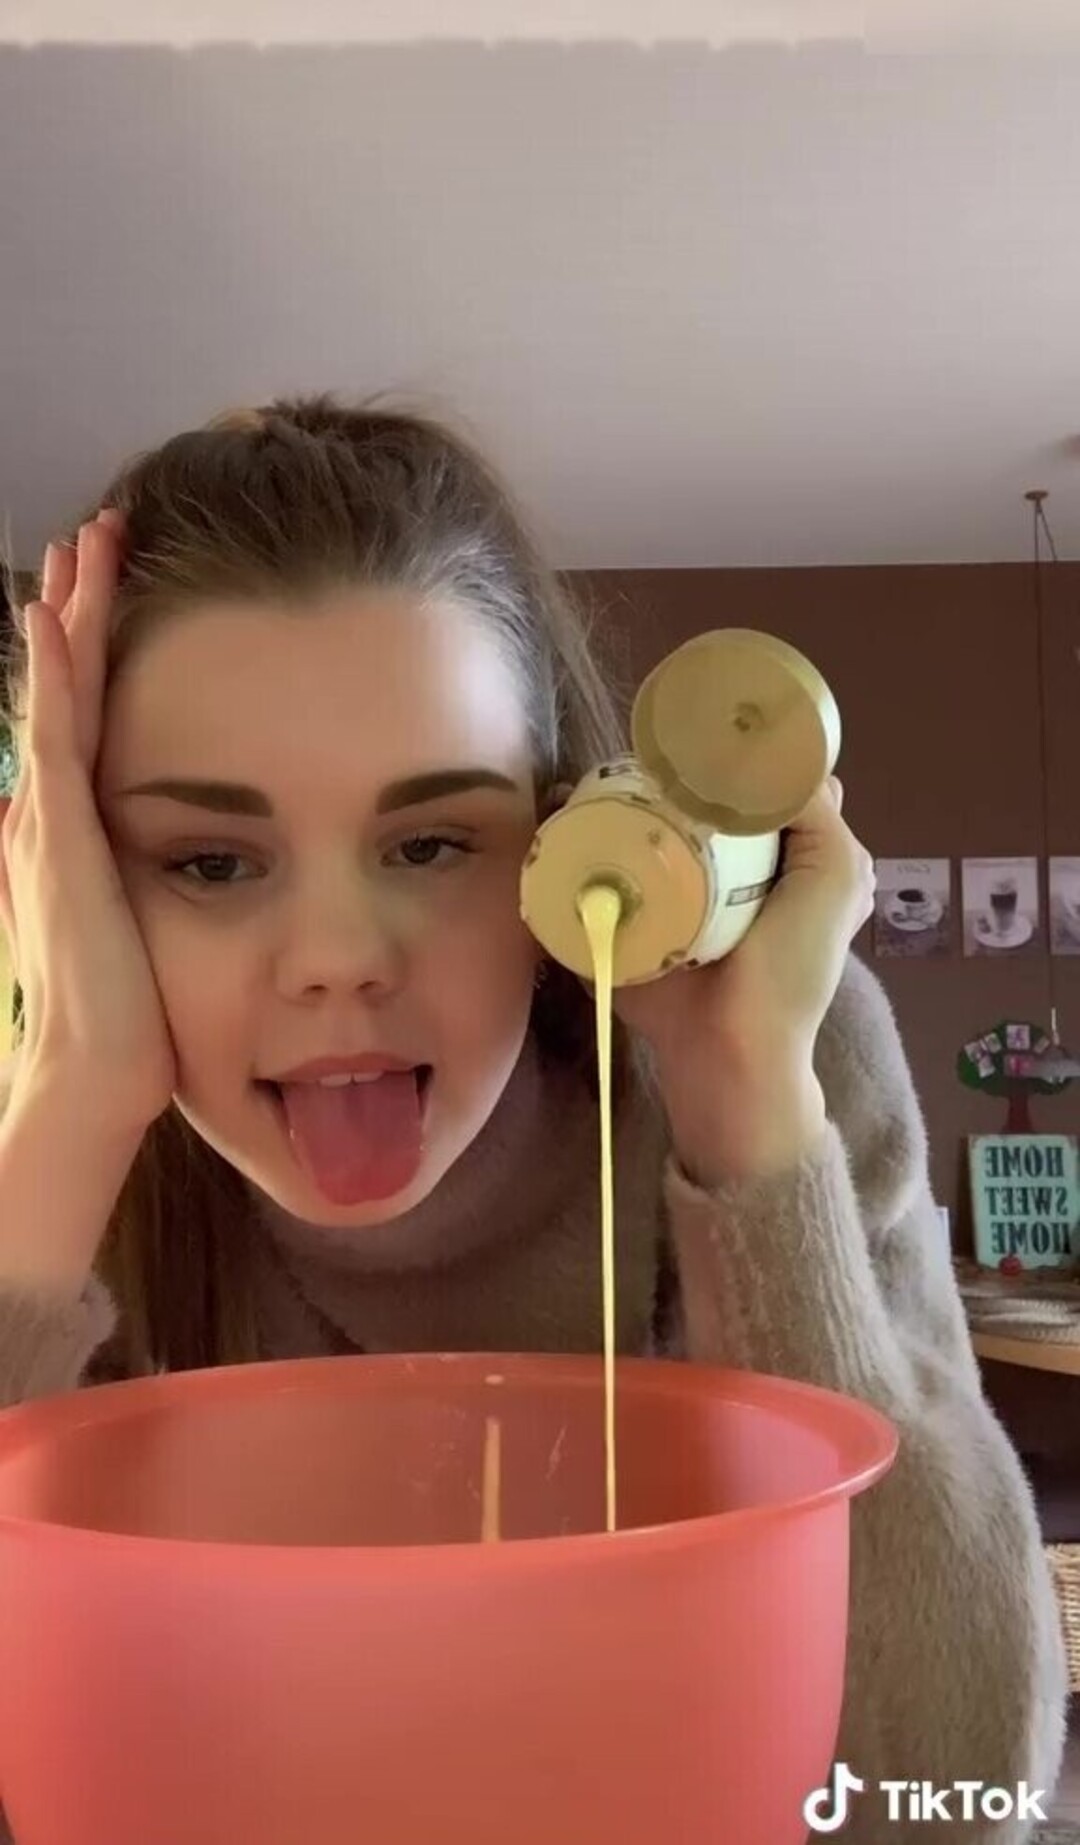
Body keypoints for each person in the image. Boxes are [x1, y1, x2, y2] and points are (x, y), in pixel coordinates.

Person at [0, 394, 1067, 1841]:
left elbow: (947, 1804)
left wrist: (748, 1118)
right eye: (209, 861)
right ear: (75, 881)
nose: (338, 958)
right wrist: (68, 1109)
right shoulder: (59, 1143)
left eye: (433, 841)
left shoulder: (777, 1047)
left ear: (566, 841)